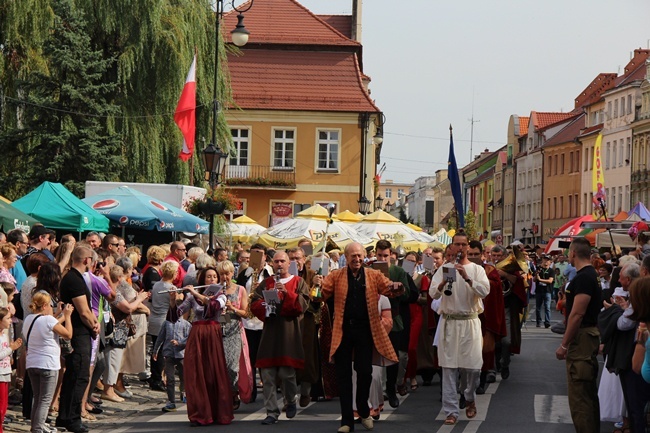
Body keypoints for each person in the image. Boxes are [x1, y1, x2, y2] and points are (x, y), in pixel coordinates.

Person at [320, 242, 402, 433]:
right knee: (344, 376)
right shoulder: (336, 275)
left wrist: (396, 287)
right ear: (346, 257)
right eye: (352, 256)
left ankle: (363, 408)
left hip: (366, 331)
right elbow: (319, 295)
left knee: (364, 372)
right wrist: (316, 285)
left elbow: (388, 288)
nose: (356, 259)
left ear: (364, 256)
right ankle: (347, 421)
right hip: (343, 331)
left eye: (359, 256)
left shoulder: (373, 275)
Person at [429, 232, 490, 426]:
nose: (461, 248)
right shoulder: (444, 269)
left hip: (470, 322)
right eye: (457, 244)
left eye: (464, 245)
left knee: (472, 367)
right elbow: (433, 294)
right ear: (452, 247)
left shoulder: (477, 269)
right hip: (449, 323)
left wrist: (467, 278)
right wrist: (442, 284)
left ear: (469, 248)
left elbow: (484, 291)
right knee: (448, 368)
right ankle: (451, 411)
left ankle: (469, 396)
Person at [250, 251, 309, 426]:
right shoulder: (266, 283)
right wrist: (267, 304)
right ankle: (271, 412)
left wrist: (287, 295)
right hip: (270, 334)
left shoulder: (298, 282)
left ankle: (290, 401)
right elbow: (254, 304)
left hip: (288, 333)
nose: (279, 264)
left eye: (282, 261)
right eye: (276, 261)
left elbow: (303, 305)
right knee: (267, 375)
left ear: (289, 263)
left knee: (286, 373)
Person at [555, 237, 601, 433]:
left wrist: (564, 345)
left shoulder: (583, 277)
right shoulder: (591, 275)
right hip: (588, 335)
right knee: (587, 395)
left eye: (569, 253)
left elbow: (578, 313)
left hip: (582, 338)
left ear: (573, 253)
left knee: (580, 397)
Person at [56, 245, 100, 433]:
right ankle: (72, 418)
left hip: (81, 332)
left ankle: (65, 416)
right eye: (91, 258)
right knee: (79, 376)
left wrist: (93, 322)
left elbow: (86, 309)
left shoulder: (75, 278)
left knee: (74, 375)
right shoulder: (74, 279)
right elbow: (83, 311)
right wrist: (93, 325)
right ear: (86, 260)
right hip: (78, 334)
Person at [182, 269, 232, 425]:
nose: (212, 279)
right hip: (196, 334)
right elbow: (174, 315)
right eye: (209, 276)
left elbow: (213, 307)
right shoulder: (191, 296)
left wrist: (195, 293)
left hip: (212, 334)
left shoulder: (222, 296)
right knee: (197, 373)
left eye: (215, 277)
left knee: (212, 372)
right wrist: (172, 300)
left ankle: (217, 412)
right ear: (202, 278)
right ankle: (199, 413)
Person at [24, 293, 73, 433]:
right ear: (45, 306)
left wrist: (60, 313)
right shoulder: (48, 321)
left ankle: (36, 426)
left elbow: (51, 322)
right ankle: (38, 428)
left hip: (32, 363)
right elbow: (68, 334)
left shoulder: (29, 319)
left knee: (38, 398)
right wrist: (68, 316)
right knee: (45, 400)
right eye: (50, 306)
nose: (52, 308)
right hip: (48, 364)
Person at [218, 260, 252, 409]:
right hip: (218, 329)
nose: (224, 277)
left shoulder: (240, 289)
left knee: (232, 366)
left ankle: (234, 392)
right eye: (221, 274)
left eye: (227, 273)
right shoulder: (215, 289)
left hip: (234, 331)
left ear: (232, 274)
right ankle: (222, 395)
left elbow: (246, 313)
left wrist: (233, 308)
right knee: (220, 365)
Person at [148, 261, 178, 392]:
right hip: (163, 320)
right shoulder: (171, 288)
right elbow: (174, 305)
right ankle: (158, 378)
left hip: (154, 319)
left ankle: (155, 377)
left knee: (155, 348)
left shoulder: (157, 285)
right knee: (161, 352)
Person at [153, 308, 191, 412]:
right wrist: (155, 351)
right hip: (169, 354)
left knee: (184, 377)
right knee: (170, 379)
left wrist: (180, 343)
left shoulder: (186, 324)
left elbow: (190, 338)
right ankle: (171, 401)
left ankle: (184, 392)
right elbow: (160, 337)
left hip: (181, 354)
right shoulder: (166, 323)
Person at [0, 306, 22, 432]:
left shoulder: (4, 335)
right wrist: (11, 349)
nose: (10, 321)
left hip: (5, 373)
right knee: (1, 407)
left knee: (3, 406)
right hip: (0, 375)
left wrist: (10, 354)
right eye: (8, 318)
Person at [535, 255, 554, 328]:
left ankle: (547, 322)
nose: (546, 262)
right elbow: (534, 280)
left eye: (547, 260)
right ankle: (538, 322)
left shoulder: (551, 271)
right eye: (544, 260)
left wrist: (540, 280)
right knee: (538, 308)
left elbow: (550, 281)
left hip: (547, 291)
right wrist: (536, 275)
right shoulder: (538, 269)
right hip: (539, 291)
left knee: (547, 307)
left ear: (550, 262)